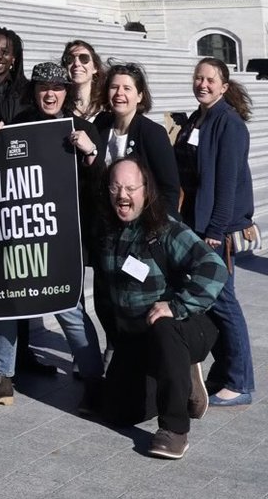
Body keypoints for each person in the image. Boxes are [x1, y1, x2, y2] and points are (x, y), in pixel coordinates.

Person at [0, 62, 105, 411]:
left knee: (69, 309)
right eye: (44, 87)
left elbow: (99, 187)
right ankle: (1, 379)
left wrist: (90, 153)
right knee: (2, 302)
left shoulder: (82, 128)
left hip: (60, 238)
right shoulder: (18, 125)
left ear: (67, 92)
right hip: (16, 234)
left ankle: (94, 379)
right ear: (34, 90)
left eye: (57, 88)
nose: (50, 93)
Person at [94, 158, 227, 459]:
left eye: (130, 187)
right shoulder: (106, 231)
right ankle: (178, 382)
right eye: (115, 186)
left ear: (146, 190)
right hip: (135, 337)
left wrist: (177, 305)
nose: (122, 194)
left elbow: (214, 268)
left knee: (164, 327)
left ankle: (175, 428)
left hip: (181, 327)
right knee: (116, 413)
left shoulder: (164, 229)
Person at [175, 58, 255, 406]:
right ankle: (224, 373)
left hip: (214, 231)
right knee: (215, 303)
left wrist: (216, 231)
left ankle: (240, 382)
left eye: (210, 80)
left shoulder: (229, 123)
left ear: (224, 86)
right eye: (198, 78)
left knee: (224, 304)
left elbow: (227, 185)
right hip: (197, 226)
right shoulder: (199, 118)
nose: (203, 84)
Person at [91, 62, 179, 209]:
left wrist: (162, 227)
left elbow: (169, 189)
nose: (119, 93)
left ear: (139, 96)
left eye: (127, 88)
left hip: (142, 222)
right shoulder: (100, 123)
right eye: (114, 87)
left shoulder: (153, 133)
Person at [61, 39, 104, 120]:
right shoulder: (59, 107)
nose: (77, 64)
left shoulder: (106, 105)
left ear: (95, 67)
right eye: (70, 59)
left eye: (84, 58)